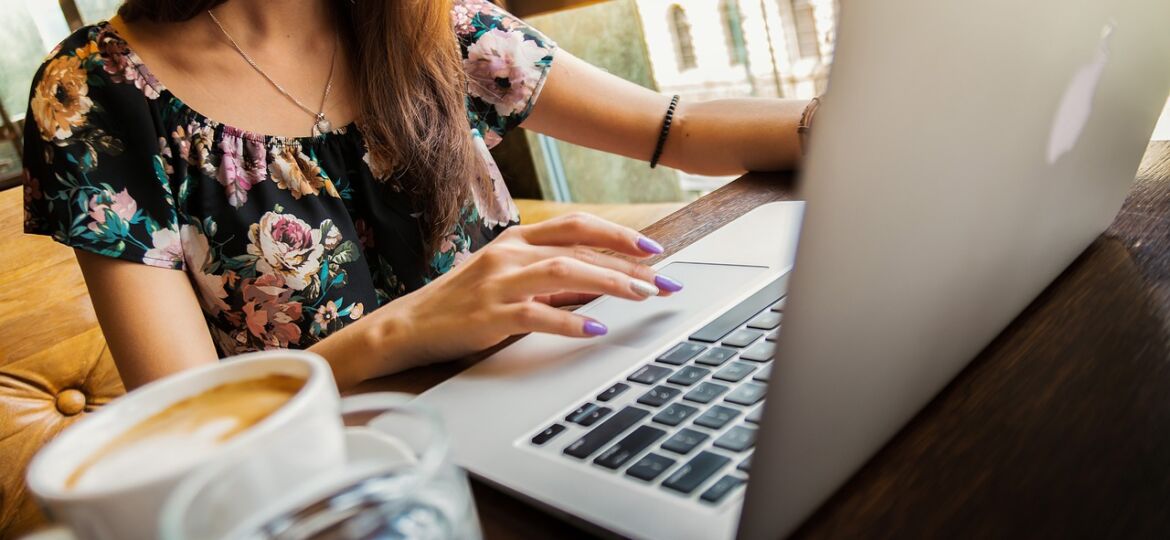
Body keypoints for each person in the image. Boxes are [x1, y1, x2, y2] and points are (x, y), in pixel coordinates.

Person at [22, 0, 809, 391]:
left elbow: (679, 127)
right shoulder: (95, 92)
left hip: (542, 393)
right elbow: (189, 420)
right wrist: (407, 330)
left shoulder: (425, 20)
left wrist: (848, 119)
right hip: (336, 488)